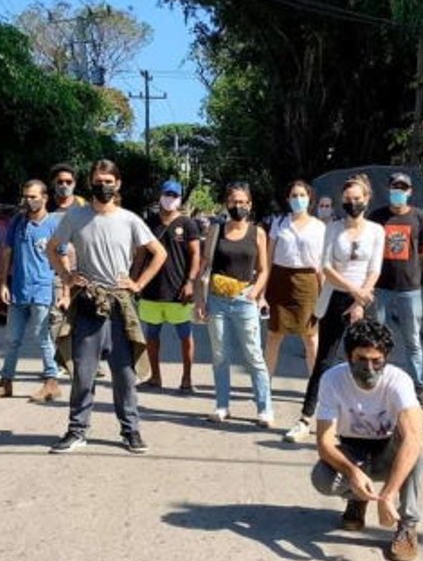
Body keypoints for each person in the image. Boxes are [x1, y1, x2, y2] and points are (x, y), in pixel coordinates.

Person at [46, 159, 168, 454]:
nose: (103, 186)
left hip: (120, 304)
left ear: (118, 184)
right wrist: (67, 275)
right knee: (84, 373)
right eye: (98, 181)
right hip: (87, 303)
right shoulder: (75, 217)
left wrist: (137, 284)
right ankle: (77, 430)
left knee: (124, 374)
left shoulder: (129, 219)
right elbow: (53, 248)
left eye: (109, 181)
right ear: (90, 183)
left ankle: (131, 430)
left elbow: (158, 253)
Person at [310, 318, 423, 561]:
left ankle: (407, 525)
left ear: (386, 358)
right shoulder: (332, 379)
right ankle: (358, 500)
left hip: (387, 450)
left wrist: (389, 494)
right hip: (353, 449)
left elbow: (413, 439)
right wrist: (352, 472)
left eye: (376, 361)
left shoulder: (399, 381)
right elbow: (324, 443)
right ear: (349, 356)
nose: (369, 369)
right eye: (361, 359)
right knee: (322, 478)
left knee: (414, 450)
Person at [284, 174, 385, 444]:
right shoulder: (334, 228)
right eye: (348, 199)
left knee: (366, 361)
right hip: (337, 298)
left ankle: (366, 420)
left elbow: (375, 268)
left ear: (367, 199)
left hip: (363, 302)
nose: (353, 203)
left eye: (358, 199)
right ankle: (306, 417)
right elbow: (326, 267)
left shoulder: (376, 231)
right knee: (325, 362)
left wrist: (361, 301)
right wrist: (353, 292)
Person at [196, 181, 274, 426]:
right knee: (220, 355)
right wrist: (200, 299)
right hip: (217, 299)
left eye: (242, 202)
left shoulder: (258, 233)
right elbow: (205, 264)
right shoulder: (216, 231)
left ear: (249, 205)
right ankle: (221, 406)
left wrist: (255, 293)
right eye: (233, 202)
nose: (237, 206)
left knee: (253, 355)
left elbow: (263, 269)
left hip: (244, 299)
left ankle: (264, 408)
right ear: (226, 203)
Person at [0, 180, 63, 404]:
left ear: (45, 198)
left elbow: (64, 256)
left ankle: (51, 382)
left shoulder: (54, 224)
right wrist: (2, 284)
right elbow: (7, 253)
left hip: (43, 290)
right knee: (12, 339)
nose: (29, 201)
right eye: (26, 196)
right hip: (18, 290)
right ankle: (5, 382)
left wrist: (65, 290)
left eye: (34, 197)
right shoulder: (17, 221)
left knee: (43, 337)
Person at [369, 171, 423, 409]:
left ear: (410, 192)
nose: (399, 192)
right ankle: (377, 381)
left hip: (409, 288)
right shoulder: (377, 217)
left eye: (403, 188)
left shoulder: (420, 217)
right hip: (381, 287)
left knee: (412, 339)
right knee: (377, 337)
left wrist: (412, 270)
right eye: (395, 187)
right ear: (388, 190)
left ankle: (418, 386)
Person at [137, 179, 201, 393]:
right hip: (152, 292)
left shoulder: (188, 224)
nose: (169, 199)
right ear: (160, 195)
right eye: (167, 194)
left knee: (185, 336)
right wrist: (136, 281)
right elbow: (141, 253)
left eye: (174, 195)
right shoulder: (150, 222)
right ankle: (155, 377)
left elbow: (195, 255)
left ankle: (187, 379)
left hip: (178, 292)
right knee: (152, 336)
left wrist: (190, 282)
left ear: (180, 198)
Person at [264, 179, 326, 378]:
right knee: (274, 335)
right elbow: (268, 257)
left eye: (302, 195)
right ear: (288, 199)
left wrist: (324, 294)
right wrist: (262, 292)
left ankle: (314, 386)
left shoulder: (319, 227)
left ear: (309, 199)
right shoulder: (279, 223)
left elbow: (322, 264)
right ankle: (265, 384)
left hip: (308, 283)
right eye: (294, 195)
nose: (298, 199)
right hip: (280, 281)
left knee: (310, 337)